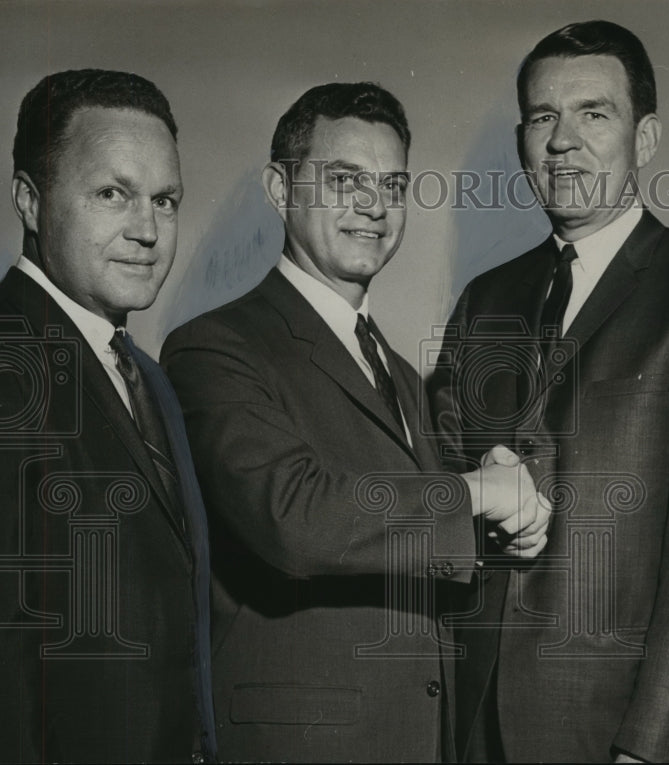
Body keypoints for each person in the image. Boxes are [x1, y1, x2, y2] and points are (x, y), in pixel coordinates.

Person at [160, 82, 549, 762]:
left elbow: (398, 534)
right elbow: (294, 517)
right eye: (346, 180)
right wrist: (476, 493)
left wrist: (500, 532)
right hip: (301, 741)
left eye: (393, 185)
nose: (375, 206)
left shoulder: (398, 372)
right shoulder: (214, 347)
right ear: (279, 189)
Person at [426, 20, 669, 763]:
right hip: (473, 716)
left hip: (618, 728)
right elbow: (440, 476)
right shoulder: (486, 298)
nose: (563, 141)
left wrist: (653, 747)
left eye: (594, 112)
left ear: (646, 139)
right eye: (543, 118)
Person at [0, 69, 215, 763]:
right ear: (30, 201)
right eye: (112, 194)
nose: (148, 229)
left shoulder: (144, 373)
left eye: (166, 199)